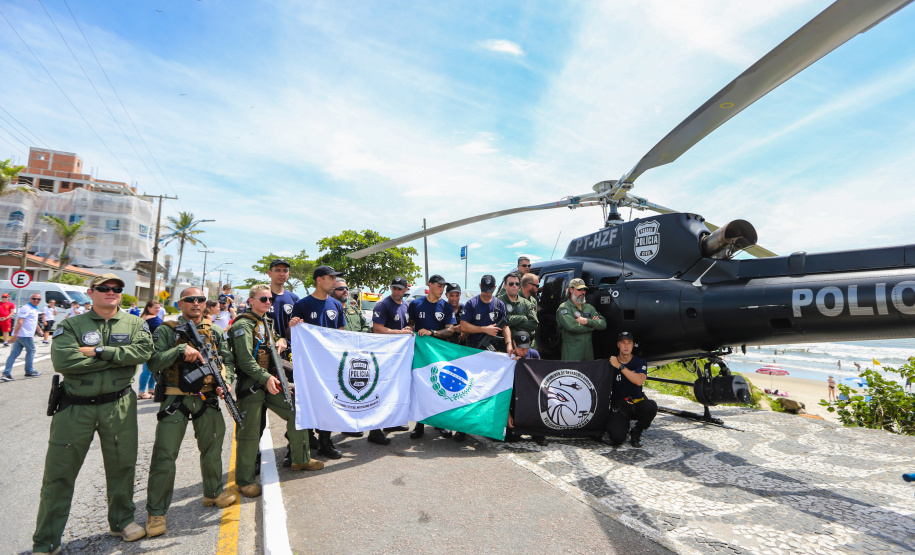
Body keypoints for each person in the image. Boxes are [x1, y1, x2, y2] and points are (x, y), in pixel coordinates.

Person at [31, 274, 154, 553]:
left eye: (117, 289)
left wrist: (97, 352)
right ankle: (46, 540)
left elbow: (143, 352)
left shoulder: (135, 323)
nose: (111, 292)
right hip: (75, 407)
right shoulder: (72, 324)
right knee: (59, 473)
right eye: (104, 288)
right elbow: (64, 360)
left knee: (123, 465)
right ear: (91, 292)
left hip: (119, 404)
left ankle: (121, 520)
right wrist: (118, 359)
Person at [144, 287, 238, 538]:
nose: (196, 303)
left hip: (207, 399)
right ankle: (156, 512)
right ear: (180, 303)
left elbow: (227, 360)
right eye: (190, 300)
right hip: (175, 398)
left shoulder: (215, 330)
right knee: (164, 456)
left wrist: (227, 381)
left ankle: (213, 493)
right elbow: (153, 361)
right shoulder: (166, 329)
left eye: (200, 300)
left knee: (213, 449)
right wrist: (178, 350)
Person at [232, 284, 323, 499]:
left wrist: (281, 339)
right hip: (252, 385)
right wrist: (266, 378)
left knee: (297, 413)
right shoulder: (243, 325)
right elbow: (245, 361)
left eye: (269, 299)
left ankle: (300, 459)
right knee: (250, 434)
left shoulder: (266, 323)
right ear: (251, 300)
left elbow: (273, 343)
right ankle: (244, 481)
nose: (267, 302)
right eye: (262, 299)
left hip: (272, 381)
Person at [290, 265, 348, 459]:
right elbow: (295, 334)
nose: (334, 282)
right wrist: (293, 326)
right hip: (309, 364)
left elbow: (341, 332)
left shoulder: (336, 304)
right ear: (319, 280)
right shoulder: (303, 304)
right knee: (306, 401)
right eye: (331, 278)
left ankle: (325, 441)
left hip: (330, 363)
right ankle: (300, 444)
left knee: (329, 401)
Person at [407, 275, 457, 441]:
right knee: (421, 388)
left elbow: (450, 330)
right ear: (430, 285)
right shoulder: (415, 304)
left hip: (440, 355)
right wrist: (409, 328)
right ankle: (419, 425)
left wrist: (433, 333)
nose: (442, 289)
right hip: (420, 353)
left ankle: (441, 424)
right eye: (439, 286)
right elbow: (411, 323)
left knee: (440, 387)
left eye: (444, 286)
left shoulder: (446, 307)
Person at [606, 332, 657, 448]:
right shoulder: (610, 364)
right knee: (617, 438)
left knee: (651, 406)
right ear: (618, 344)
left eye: (629, 343)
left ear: (633, 345)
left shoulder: (640, 362)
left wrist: (620, 366)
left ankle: (636, 431)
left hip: (637, 403)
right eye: (623, 343)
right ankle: (621, 425)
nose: (626, 346)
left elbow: (639, 380)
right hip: (620, 406)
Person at [506, 331, 546, 446]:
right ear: (513, 344)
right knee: (509, 437)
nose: (523, 351)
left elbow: (539, 376)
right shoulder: (507, 357)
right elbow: (503, 388)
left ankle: (537, 432)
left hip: (530, 395)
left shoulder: (534, 354)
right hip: (514, 397)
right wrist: (507, 413)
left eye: (525, 348)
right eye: (520, 348)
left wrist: (524, 364)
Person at [556, 278, 606, 361]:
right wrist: (592, 326)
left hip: (588, 354)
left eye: (584, 290)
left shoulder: (589, 307)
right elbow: (572, 326)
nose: (583, 292)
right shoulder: (564, 308)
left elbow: (603, 324)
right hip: (572, 354)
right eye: (579, 289)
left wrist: (587, 321)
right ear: (571, 290)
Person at [460, 275, 512, 354]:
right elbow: (463, 326)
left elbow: (505, 326)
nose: (487, 293)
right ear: (480, 286)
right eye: (484, 290)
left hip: (494, 350)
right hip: (474, 348)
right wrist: (484, 329)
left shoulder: (499, 304)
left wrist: (509, 344)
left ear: (495, 288)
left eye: (489, 290)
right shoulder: (472, 303)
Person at [2, 291, 42, 381]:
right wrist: (15, 335)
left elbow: (33, 321)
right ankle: (29, 371)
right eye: (34, 298)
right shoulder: (26, 308)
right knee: (31, 351)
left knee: (14, 353)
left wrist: (39, 330)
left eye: (38, 299)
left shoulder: (34, 308)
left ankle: (6, 374)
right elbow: (20, 321)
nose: (36, 300)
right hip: (25, 335)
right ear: (30, 299)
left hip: (24, 334)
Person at [498, 273, 537, 353]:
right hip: (505, 347)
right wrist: (522, 318)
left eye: (517, 284)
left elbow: (534, 324)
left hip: (524, 346)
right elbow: (502, 322)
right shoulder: (498, 302)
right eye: (511, 284)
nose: (514, 286)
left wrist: (513, 324)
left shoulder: (526, 303)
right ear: (505, 286)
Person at [137, 301, 164, 399]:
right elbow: (164, 328)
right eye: (156, 307)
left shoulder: (144, 317)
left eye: (159, 308)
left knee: (153, 370)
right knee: (147, 370)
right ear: (149, 308)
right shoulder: (151, 319)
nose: (158, 309)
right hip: (150, 348)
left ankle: (151, 390)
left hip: (150, 347)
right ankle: (141, 393)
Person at [520, 273, 541, 347]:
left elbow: (534, 321)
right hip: (519, 341)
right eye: (537, 286)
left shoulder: (533, 301)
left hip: (532, 341)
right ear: (530, 286)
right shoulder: (515, 299)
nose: (538, 288)